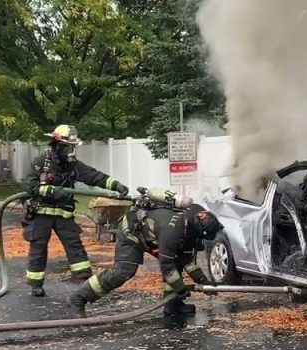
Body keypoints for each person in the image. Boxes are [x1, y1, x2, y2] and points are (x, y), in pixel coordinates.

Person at [68, 196, 223, 318]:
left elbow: (186, 259)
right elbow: (166, 264)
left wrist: (202, 280)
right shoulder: (173, 232)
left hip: (152, 234)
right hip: (132, 231)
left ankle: (173, 305)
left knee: (178, 264)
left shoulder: (193, 219)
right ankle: (79, 298)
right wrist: (178, 286)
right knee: (124, 271)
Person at [22, 124, 129, 297]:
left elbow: (93, 176)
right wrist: (48, 190)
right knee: (38, 248)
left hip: (63, 213)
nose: (70, 150)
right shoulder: (41, 162)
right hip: (41, 212)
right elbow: (28, 184)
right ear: (56, 144)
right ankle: (35, 284)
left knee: (75, 246)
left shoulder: (72, 165)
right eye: (67, 146)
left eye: (72, 146)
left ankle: (84, 280)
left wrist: (115, 184)